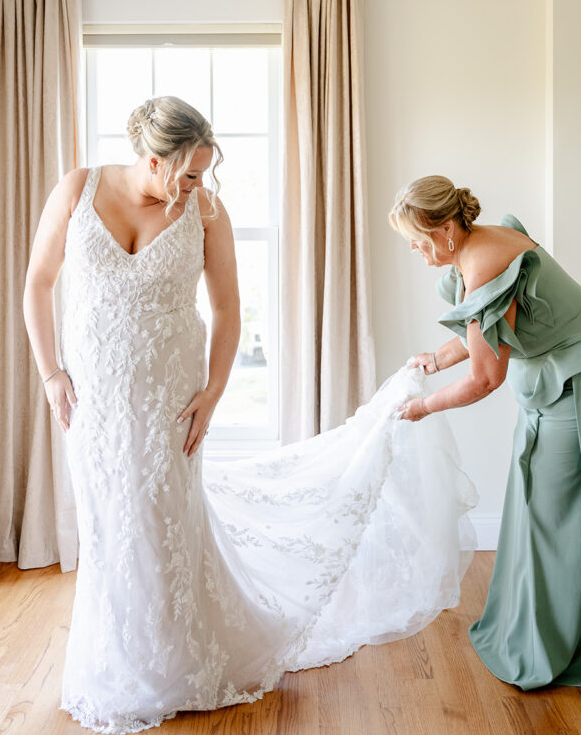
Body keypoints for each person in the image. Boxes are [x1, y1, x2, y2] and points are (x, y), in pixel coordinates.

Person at [23, 97, 477, 734]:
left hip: (169, 401)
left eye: (204, 173)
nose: (197, 186)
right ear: (152, 161)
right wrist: (51, 373)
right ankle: (116, 663)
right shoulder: (77, 190)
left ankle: (177, 664)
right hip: (92, 402)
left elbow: (229, 310)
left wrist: (211, 394)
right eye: (187, 174)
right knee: (107, 530)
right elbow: (38, 282)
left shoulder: (206, 212)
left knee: (161, 528)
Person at [390, 174, 581, 689]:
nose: (413, 249)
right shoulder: (477, 249)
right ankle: (554, 628)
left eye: (417, 239)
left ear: (447, 230)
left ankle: (569, 642)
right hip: (563, 373)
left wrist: (424, 408)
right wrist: (435, 359)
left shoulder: (480, 263)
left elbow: (485, 377)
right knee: (537, 499)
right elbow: (490, 327)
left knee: (559, 505)